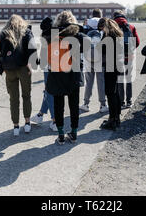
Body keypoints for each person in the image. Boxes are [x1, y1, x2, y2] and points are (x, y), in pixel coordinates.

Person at [45, 11, 89, 145]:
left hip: (57, 73)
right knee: (74, 105)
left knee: (59, 106)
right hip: (73, 74)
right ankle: (74, 133)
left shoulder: (52, 35)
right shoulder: (77, 34)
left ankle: (60, 134)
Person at [0, 15, 36, 136]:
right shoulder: (27, 32)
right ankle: (27, 123)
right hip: (24, 68)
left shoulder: (3, 34)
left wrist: (1, 65)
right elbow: (33, 50)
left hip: (9, 69)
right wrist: (29, 63)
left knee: (13, 99)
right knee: (26, 96)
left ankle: (16, 126)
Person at [30, 17, 58, 132]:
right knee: (48, 91)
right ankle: (40, 115)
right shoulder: (58, 34)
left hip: (49, 68)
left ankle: (55, 121)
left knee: (49, 92)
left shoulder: (46, 38)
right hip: (59, 67)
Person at [80, 9, 108, 114]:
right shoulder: (103, 23)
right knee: (101, 82)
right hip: (99, 58)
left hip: (87, 57)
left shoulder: (87, 24)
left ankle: (86, 104)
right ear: (100, 15)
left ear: (92, 15)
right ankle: (103, 104)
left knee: (89, 82)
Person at [99, 18, 123, 130]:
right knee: (116, 92)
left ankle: (112, 119)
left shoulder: (108, 37)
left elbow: (100, 49)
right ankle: (116, 118)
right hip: (117, 66)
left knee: (110, 93)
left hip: (110, 67)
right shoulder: (118, 36)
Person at [113, 10, 140, 109]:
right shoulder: (131, 27)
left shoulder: (113, 27)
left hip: (118, 57)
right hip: (129, 56)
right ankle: (129, 101)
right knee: (128, 78)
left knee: (120, 79)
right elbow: (137, 42)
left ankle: (121, 101)